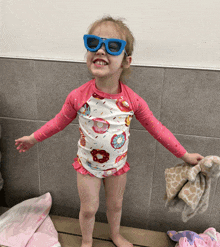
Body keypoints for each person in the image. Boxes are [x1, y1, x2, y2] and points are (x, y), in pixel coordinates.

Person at [15, 16, 204, 247]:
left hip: (117, 166)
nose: (101, 51)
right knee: (89, 208)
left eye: (113, 46)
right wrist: (33, 138)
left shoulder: (132, 100)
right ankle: (86, 241)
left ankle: (115, 235)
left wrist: (184, 155)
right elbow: (57, 122)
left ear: (126, 61)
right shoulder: (78, 96)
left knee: (115, 206)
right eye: (93, 43)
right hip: (87, 167)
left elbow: (157, 129)